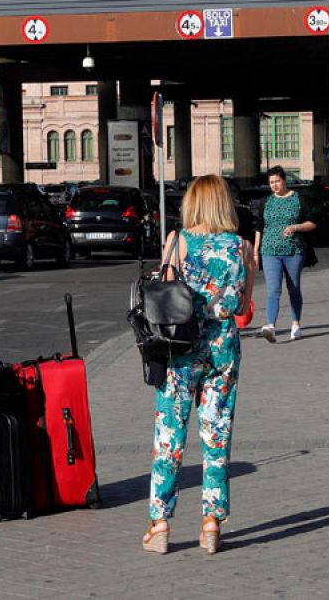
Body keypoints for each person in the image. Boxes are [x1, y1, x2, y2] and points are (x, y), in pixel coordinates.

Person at [142, 174, 254, 556]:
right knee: (216, 435)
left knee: (170, 436)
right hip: (223, 348)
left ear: (191, 204)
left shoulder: (177, 242)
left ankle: (159, 525)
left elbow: (164, 300)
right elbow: (242, 309)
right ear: (225, 204)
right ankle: (211, 524)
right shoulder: (240, 246)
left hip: (180, 348)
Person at [253, 166, 314, 343]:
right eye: (271, 182)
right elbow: (259, 227)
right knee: (273, 289)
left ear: (284, 181)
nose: (274, 185)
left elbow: (311, 223)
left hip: (293, 251)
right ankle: (270, 326)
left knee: (293, 287)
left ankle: (296, 324)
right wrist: (256, 251)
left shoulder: (298, 199)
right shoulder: (267, 201)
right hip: (269, 251)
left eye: (277, 181)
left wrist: (296, 227)